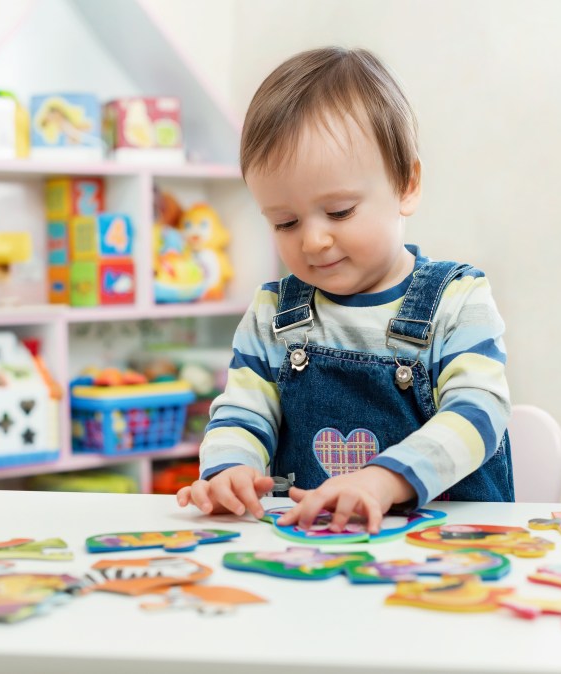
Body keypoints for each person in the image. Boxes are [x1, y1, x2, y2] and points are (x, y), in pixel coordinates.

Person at [176, 47, 512, 534]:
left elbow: (479, 412)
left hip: (447, 555)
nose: (313, 240)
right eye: (285, 222)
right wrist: (229, 470)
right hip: (316, 555)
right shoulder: (273, 313)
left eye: (339, 213)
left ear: (406, 184)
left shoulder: (457, 300)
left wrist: (384, 480)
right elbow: (242, 413)